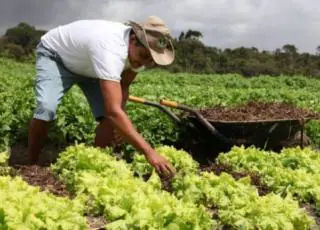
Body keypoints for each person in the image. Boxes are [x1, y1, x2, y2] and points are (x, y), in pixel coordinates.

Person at [27, 16, 176, 177]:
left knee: (110, 119)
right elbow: (114, 111)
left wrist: (121, 121)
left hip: (91, 66)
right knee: (46, 109)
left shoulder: (141, 56)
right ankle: (31, 166)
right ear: (133, 39)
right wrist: (149, 153)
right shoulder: (110, 48)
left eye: (151, 60)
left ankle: (96, 165)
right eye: (144, 56)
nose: (146, 63)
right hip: (57, 57)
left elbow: (124, 85)